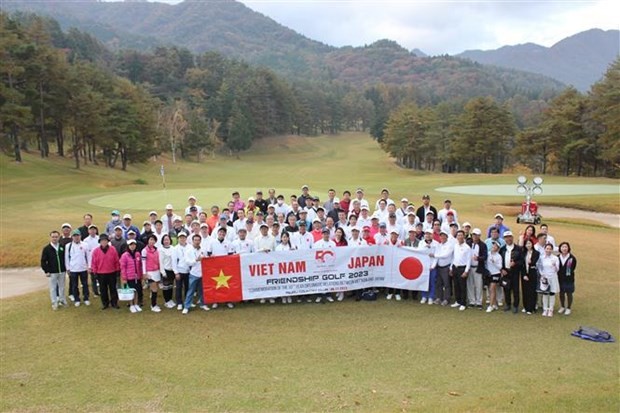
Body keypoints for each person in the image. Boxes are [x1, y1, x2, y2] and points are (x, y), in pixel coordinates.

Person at [182, 234, 211, 314]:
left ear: (200, 241)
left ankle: (203, 304)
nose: (197, 242)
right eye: (195, 240)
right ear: (192, 241)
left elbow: (206, 259)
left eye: (198, 240)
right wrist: (196, 260)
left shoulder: (203, 250)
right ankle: (186, 307)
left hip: (202, 274)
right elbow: (188, 262)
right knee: (190, 291)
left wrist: (210, 258)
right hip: (193, 274)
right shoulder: (188, 251)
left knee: (202, 291)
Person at [90, 234, 120, 310]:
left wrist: (117, 270)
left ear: (107, 241)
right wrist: (95, 272)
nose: (104, 242)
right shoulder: (96, 251)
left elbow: (116, 260)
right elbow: (94, 263)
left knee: (113, 289)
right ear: (100, 242)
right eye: (102, 241)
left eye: (105, 241)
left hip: (112, 272)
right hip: (101, 273)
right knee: (103, 290)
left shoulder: (113, 249)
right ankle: (105, 303)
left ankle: (114, 303)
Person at [40, 230, 67, 310]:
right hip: (52, 272)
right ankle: (54, 302)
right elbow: (43, 261)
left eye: (56, 237)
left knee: (62, 287)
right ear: (50, 237)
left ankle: (62, 300)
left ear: (59, 237)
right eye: (53, 237)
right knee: (53, 287)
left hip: (62, 270)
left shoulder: (62, 246)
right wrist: (46, 271)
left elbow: (65, 258)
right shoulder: (47, 248)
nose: (54, 238)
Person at [65, 229, 90, 307]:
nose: (76, 237)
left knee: (85, 284)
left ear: (80, 236)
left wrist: (89, 267)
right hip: (73, 269)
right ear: (72, 237)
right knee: (74, 285)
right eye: (74, 236)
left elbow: (88, 257)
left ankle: (86, 298)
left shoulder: (85, 244)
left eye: (78, 236)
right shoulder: (68, 246)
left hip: (83, 268)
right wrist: (68, 268)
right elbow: (66, 258)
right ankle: (77, 299)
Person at [499, 231, 523, 314]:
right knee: (506, 289)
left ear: (512, 238)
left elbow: (522, 261)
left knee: (515, 289)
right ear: (504, 239)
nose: (508, 239)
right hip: (506, 272)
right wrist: (502, 269)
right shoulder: (502, 249)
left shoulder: (518, 249)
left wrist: (515, 263)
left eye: (509, 237)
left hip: (515, 272)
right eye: (506, 237)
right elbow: (499, 261)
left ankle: (515, 305)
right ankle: (508, 304)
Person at [120, 239, 143, 313]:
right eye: (131, 245)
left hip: (137, 276)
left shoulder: (138, 254)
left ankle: (136, 304)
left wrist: (141, 275)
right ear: (128, 246)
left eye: (134, 245)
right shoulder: (124, 255)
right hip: (129, 276)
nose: (132, 246)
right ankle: (131, 305)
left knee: (136, 290)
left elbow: (140, 265)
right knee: (130, 291)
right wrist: (124, 278)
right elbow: (123, 267)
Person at [450, 230, 471, 311]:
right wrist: (451, 268)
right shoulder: (455, 246)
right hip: (455, 267)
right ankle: (458, 301)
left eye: (461, 235)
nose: (459, 237)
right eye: (458, 235)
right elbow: (453, 258)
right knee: (456, 286)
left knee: (462, 287)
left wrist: (466, 271)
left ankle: (463, 303)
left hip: (462, 268)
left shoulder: (467, 247)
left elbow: (469, 260)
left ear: (464, 236)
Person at [466, 228, 487, 309]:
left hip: (478, 268)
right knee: (470, 284)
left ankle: (479, 301)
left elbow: (485, 256)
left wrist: (478, 258)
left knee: (478, 285)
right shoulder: (468, 243)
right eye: (474, 235)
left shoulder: (482, 245)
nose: (475, 236)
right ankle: (472, 301)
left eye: (477, 235)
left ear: (479, 236)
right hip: (469, 267)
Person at [431, 230, 453, 306]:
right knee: (438, 284)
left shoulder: (450, 245)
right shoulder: (439, 245)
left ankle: (446, 299)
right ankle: (439, 298)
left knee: (446, 284)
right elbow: (437, 255)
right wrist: (433, 266)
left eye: (444, 236)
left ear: (446, 237)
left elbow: (445, 255)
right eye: (441, 236)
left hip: (446, 267)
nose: (442, 237)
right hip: (439, 267)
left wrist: (435, 256)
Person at [537, 243, 560, 317]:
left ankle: (551, 309)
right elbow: (539, 267)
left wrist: (554, 266)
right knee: (545, 293)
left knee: (552, 293)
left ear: (552, 250)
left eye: (550, 249)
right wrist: (542, 275)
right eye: (547, 248)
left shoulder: (555, 258)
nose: (548, 250)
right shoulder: (541, 257)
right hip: (544, 278)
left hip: (552, 277)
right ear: (545, 249)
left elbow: (557, 269)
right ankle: (545, 309)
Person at [141, 235, 162, 313]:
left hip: (156, 271)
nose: (152, 241)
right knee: (154, 289)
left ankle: (154, 304)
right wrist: (144, 273)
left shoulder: (156, 250)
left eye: (153, 240)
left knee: (155, 288)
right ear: (148, 240)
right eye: (151, 239)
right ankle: (153, 305)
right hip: (149, 272)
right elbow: (143, 262)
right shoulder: (144, 250)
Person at [557, 242, 577, 316]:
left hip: (569, 279)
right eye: (562, 247)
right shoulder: (558, 257)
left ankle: (568, 308)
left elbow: (573, 268)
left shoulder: (572, 258)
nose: (564, 248)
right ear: (560, 248)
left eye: (566, 247)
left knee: (569, 293)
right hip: (560, 279)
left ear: (568, 248)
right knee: (561, 293)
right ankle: (562, 306)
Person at [172, 232, 191, 310]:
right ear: (178, 239)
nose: (182, 239)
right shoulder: (175, 248)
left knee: (188, 287)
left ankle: (187, 301)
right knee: (178, 288)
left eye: (183, 237)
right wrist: (176, 272)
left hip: (188, 271)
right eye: (180, 238)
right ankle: (179, 303)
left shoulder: (190, 247)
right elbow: (174, 261)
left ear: (186, 238)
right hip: (179, 271)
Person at [521, 239, 540, 315]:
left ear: (532, 244)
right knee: (525, 291)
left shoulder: (536, 253)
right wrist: (524, 275)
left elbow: (534, 262)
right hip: (525, 274)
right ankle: (525, 307)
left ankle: (531, 308)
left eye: (529, 243)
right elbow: (522, 265)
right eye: (526, 244)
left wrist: (531, 262)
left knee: (532, 291)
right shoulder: (523, 253)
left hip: (533, 274)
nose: (528, 245)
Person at [158, 234, 176, 309]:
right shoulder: (161, 249)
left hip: (172, 270)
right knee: (166, 287)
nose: (166, 241)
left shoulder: (173, 248)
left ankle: (170, 299)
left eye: (167, 240)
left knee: (170, 286)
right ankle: (166, 301)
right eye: (165, 240)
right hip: (165, 270)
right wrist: (163, 272)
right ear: (163, 241)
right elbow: (160, 262)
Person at [485, 241, 502, 312]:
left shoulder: (499, 256)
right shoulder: (488, 254)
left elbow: (500, 267)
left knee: (492, 289)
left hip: (495, 274)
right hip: (489, 274)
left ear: (498, 248)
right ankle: (495, 304)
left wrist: (494, 262)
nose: (493, 247)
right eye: (493, 245)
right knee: (491, 289)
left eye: (495, 246)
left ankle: (491, 305)